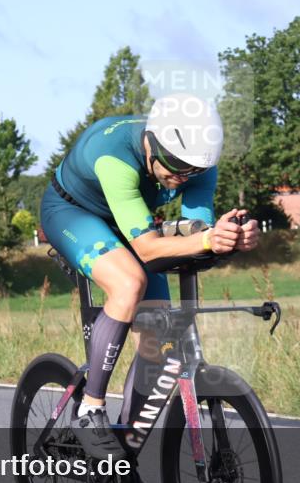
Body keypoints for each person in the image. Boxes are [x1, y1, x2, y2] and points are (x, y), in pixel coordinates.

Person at [40, 93, 259, 459]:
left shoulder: (196, 163)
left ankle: (121, 456)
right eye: (173, 166)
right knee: (128, 282)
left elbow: (196, 233)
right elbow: (146, 249)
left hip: (131, 222)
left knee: (161, 341)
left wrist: (230, 238)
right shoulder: (115, 157)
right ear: (150, 145)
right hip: (72, 214)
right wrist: (206, 239)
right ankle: (90, 408)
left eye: (192, 172)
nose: (179, 180)